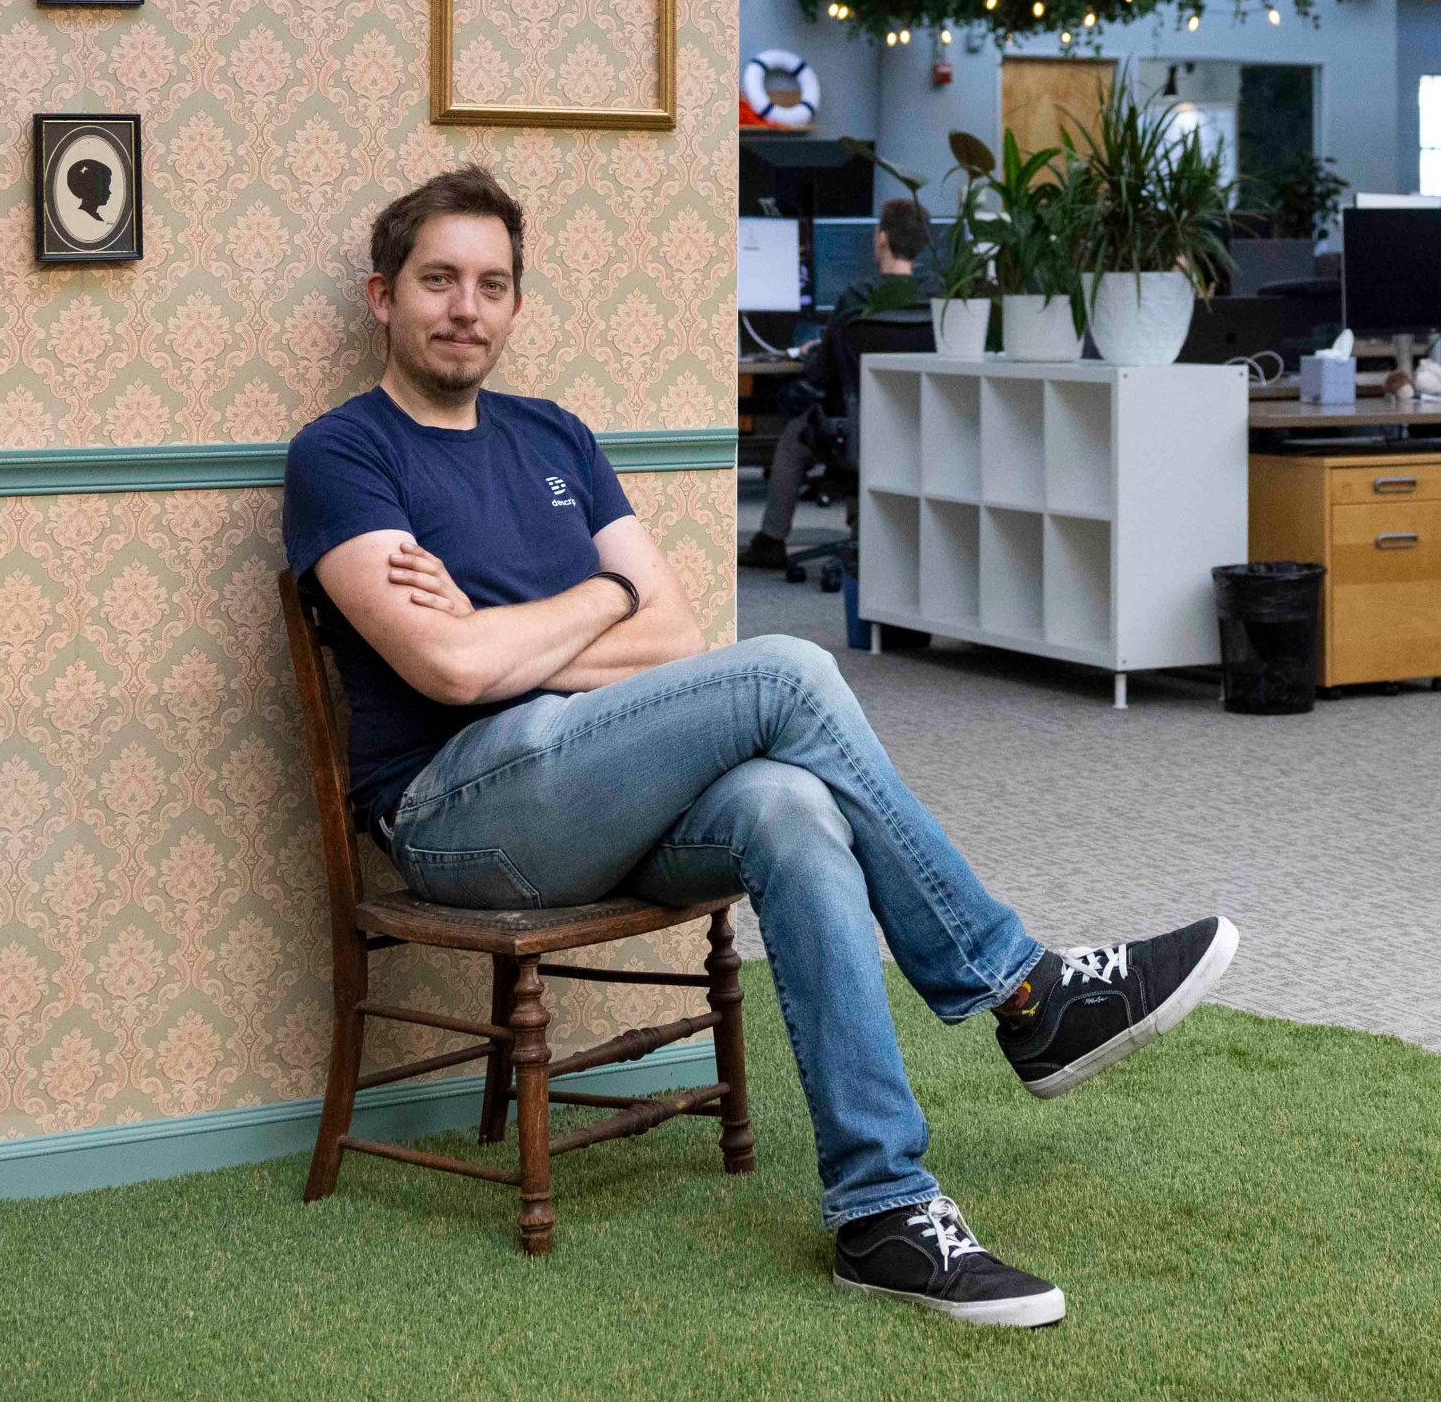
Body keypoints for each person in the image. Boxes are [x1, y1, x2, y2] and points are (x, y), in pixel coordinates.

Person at [285, 169, 1231, 1326]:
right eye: (438, 280)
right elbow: (452, 674)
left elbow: (675, 631)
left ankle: (883, 1211)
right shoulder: (343, 454)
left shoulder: (554, 437)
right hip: (463, 816)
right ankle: (1025, 989)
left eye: (491, 283)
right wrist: (594, 600)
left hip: (599, 796)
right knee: (788, 667)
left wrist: (503, 624)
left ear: (517, 304)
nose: (465, 306)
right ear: (384, 297)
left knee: (789, 802)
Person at [746, 194, 930, 579]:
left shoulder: (857, 299)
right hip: (923, 430)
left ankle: (771, 541)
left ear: (881, 239)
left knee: (794, 437)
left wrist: (813, 353)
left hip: (857, 432)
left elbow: (820, 377)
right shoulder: (938, 297)